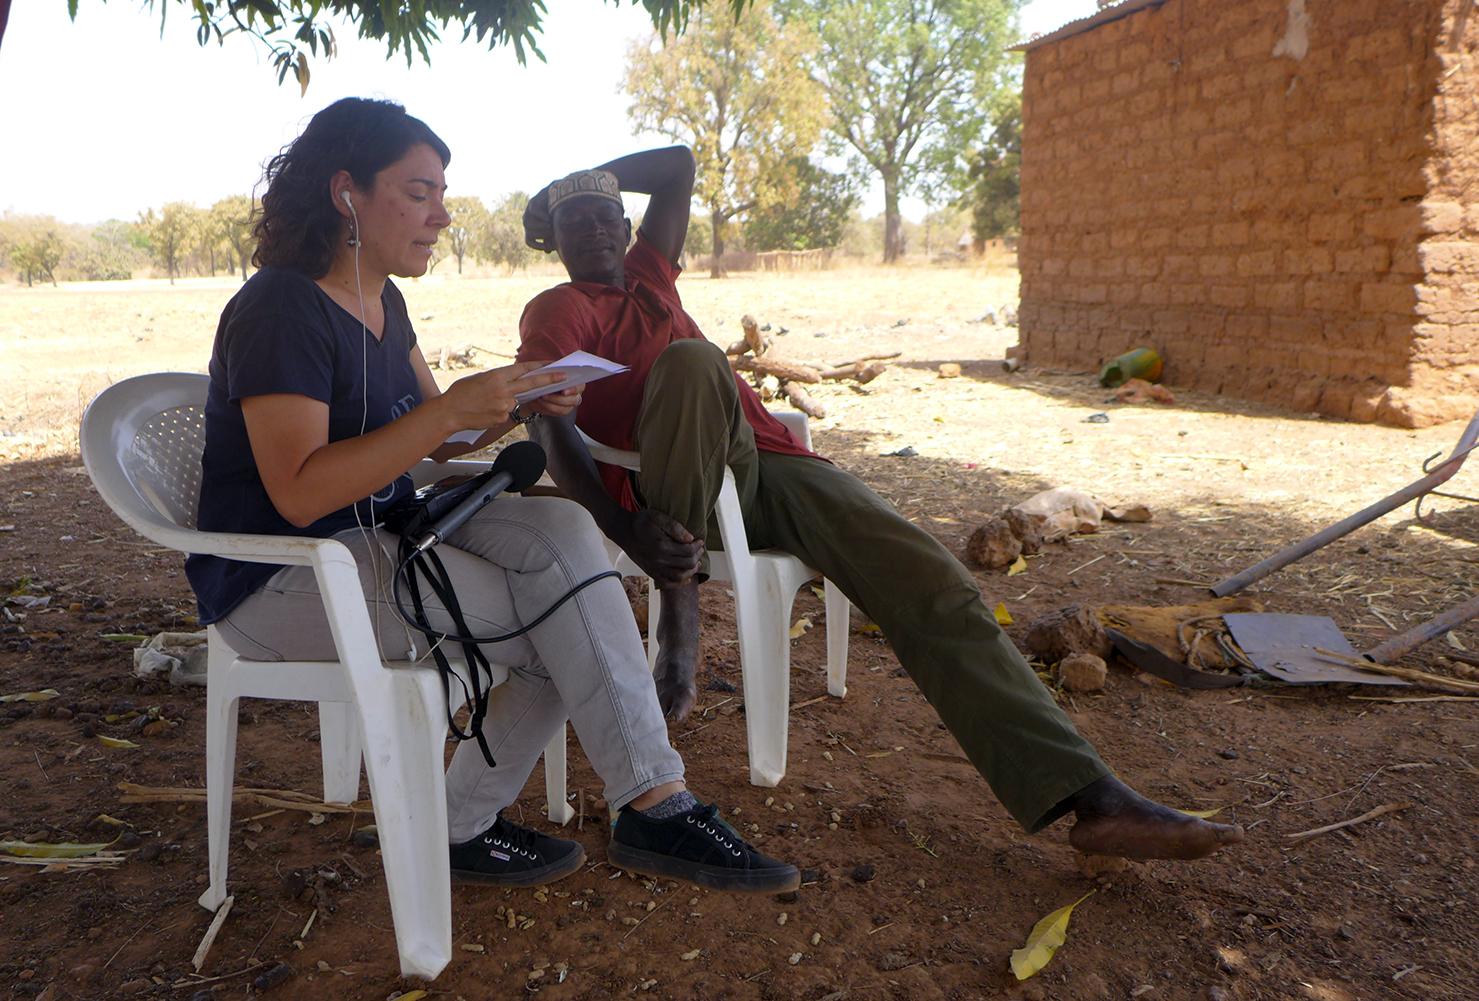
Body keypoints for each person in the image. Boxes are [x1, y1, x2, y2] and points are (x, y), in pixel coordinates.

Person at [516, 147, 1245, 861]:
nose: (594, 231)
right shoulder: (558, 307)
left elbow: (676, 165)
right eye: (573, 222)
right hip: (670, 505)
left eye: (605, 215)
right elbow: (549, 425)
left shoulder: (651, 274)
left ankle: (1092, 793)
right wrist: (625, 530)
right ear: (556, 243)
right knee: (694, 359)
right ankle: (681, 602)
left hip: (768, 466)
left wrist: (573, 177)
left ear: (624, 223)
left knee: (924, 570)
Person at [184, 100, 799, 894]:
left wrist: (516, 403)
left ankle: (505, 817)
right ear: (346, 193)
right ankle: (640, 802)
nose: (442, 214)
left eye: (442, 192)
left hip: (381, 539)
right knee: (567, 617)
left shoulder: (383, 300)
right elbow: (300, 493)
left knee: (562, 535)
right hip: (288, 576)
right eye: (418, 192)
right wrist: (448, 412)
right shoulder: (279, 308)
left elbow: (435, 440)